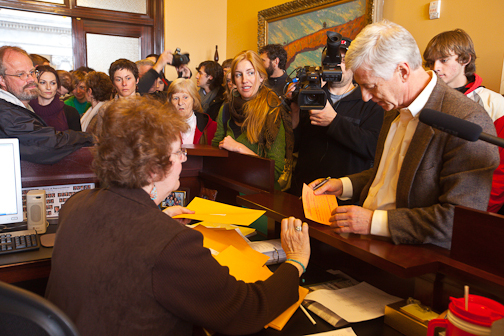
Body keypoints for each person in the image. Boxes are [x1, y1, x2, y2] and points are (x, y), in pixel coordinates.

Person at [45, 96, 310, 336]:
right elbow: (244, 310)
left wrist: (157, 218)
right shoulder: (172, 244)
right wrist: (296, 262)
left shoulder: (75, 205)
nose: (184, 160)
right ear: (152, 169)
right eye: (178, 153)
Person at [310, 21, 499, 249]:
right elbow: (390, 173)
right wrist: (343, 185)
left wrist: (373, 222)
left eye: (370, 86)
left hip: (412, 259)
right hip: (365, 246)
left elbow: (458, 220)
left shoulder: (466, 119)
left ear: (402, 71)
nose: (365, 97)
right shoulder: (394, 105)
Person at [288, 36, 384, 198]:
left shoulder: (369, 100)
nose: (338, 64)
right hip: (305, 190)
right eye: (332, 60)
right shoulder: (310, 95)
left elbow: (373, 148)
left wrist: (334, 121)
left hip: (343, 196)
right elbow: (294, 147)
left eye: (344, 60)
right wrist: (295, 112)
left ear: (354, 65)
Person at [423, 29, 504, 214]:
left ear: (465, 59)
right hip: (426, 203)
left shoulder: (495, 104)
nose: (435, 67)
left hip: (471, 204)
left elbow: (501, 168)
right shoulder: (423, 100)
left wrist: (482, 209)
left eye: (443, 60)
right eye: (430, 62)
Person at [212, 50, 294, 190]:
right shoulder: (226, 109)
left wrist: (239, 148)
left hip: (259, 198)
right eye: (239, 75)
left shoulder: (272, 111)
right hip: (228, 190)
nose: (245, 80)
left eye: (250, 73)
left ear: (261, 77)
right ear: (233, 80)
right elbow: (214, 150)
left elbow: (274, 172)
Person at [0, 46, 92, 164]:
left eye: (32, 72)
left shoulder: (17, 107)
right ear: (2, 80)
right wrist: (88, 138)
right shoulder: (5, 112)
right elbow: (47, 144)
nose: (31, 79)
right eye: (21, 74)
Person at [86, 58, 140, 135]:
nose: (124, 83)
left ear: (137, 80)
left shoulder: (148, 107)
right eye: (118, 80)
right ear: (113, 83)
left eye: (128, 78)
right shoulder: (106, 109)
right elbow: (99, 140)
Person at [29, 65, 81, 132]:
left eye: (52, 83)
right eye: (43, 82)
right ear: (35, 84)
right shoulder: (26, 110)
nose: (48, 87)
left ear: (57, 85)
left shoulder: (70, 112)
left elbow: (78, 140)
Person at [166, 78, 217, 145]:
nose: (180, 102)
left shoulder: (211, 127)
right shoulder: (164, 127)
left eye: (185, 97)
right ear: (170, 102)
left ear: (194, 99)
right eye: (175, 98)